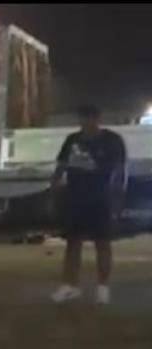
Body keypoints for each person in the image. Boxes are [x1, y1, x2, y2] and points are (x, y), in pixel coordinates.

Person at [50, 105, 127, 305]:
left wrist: (117, 198)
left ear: (97, 119)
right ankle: (70, 286)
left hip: (100, 198)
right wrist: (55, 187)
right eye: (83, 120)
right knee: (73, 243)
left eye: (89, 119)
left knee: (102, 243)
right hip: (75, 198)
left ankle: (103, 287)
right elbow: (61, 166)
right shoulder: (73, 140)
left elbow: (119, 170)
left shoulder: (111, 140)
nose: (86, 124)